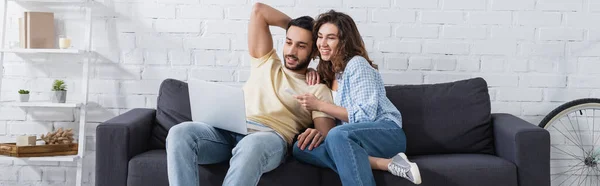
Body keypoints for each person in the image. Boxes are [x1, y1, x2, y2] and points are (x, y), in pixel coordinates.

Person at [165, 3, 336, 186]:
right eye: (288, 42)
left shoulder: (318, 89)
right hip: (228, 132)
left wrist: (319, 133)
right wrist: (294, 26)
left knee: (251, 145)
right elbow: (259, 11)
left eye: (301, 45)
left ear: (314, 51)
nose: (291, 51)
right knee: (179, 132)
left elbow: (327, 133)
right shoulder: (266, 62)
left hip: (270, 138)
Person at [292, 10, 422, 185]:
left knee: (337, 136)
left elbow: (364, 116)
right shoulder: (332, 73)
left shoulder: (357, 64)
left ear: (344, 41)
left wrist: (319, 105)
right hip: (352, 141)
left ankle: (386, 161)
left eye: (330, 38)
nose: (322, 43)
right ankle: (388, 164)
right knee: (301, 148)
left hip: (386, 134)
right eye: (320, 37)